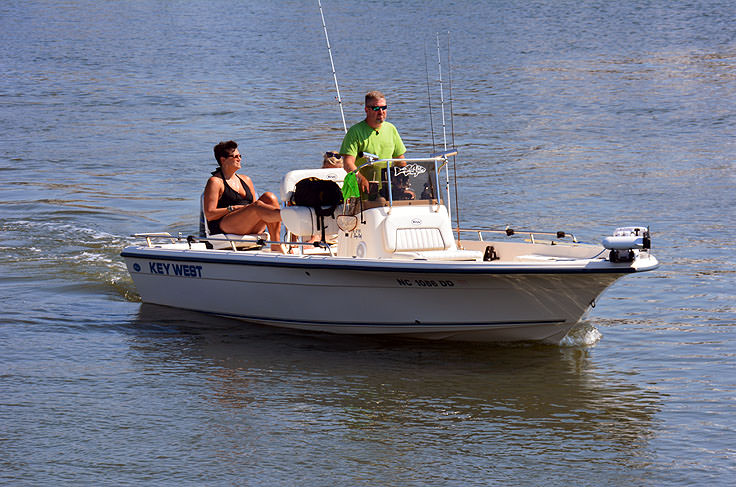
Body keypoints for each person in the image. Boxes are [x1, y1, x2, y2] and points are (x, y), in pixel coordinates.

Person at [203, 140, 283, 252]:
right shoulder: (215, 182)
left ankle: (276, 244)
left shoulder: (246, 179)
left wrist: (249, 209)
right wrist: (233, 208)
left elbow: (257, 207)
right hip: (226, 225)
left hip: (248, 224)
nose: (239, 159)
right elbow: (210, 214)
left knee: (269, 197)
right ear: (223, 160)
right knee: (256, 206)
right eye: (235, 156)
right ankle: (288, 216)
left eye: (240, 156)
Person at [340, 91, 406, 192]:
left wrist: (404, 184)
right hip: (363, 191)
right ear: (366, 110)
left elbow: (400, 160)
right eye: (376, 108)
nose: (381, 111)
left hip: (388, 190)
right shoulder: (355, 131)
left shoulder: (391, 129)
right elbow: (348, 163)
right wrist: (361, 179)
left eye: (384, 108)